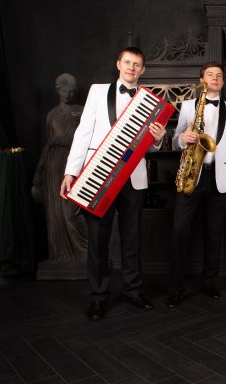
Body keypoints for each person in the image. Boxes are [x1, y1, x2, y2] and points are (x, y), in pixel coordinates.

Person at [60, 47, 166, 321]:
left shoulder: (150, 101)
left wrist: (157, 139)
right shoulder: (97, 92)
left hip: (133, 179)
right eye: (127, 62)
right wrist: (71, 172)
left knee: (132, 240)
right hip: (99, 175)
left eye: (137, 64)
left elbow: (149, 148)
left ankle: (133, 291)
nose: (131, 67)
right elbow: (83, 133)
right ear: (118, 64)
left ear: (143, 70)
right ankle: (98, 297)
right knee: (98, 241)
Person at [167, 62, 226, 306]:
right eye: (210, 75)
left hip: (219, 178)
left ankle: (209, 281)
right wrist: (183, 138)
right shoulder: (189, 106)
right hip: (192, 174)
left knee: (214, 233)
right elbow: (175, 141)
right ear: (202, 80)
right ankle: (177, 286)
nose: (215, 78)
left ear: (223, 81)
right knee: (180, 231)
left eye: (219, 75)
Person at [32, 73, 87, 263]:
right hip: (53, 162)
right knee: (54, 211)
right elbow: (48, 144)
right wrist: (38, 175)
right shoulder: (52, 114)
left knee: (71, 210)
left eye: (71, 91)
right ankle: (59, 255)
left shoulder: (82, 110)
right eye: (64, 90)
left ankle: (85, 252)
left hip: (74, 161)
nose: (68, 94)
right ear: (58, 91)